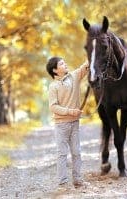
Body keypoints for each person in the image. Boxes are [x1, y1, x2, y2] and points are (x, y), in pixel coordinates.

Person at [46, 56, 89, 188]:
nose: (65, 64)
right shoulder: (53, 86)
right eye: (61, 64)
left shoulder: (74, 76)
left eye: (64, 62)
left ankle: (77, 179)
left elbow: (85, 66)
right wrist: (70, 111)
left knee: (76, 152)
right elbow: (53, 107)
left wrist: (93, 49)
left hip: (75, 123)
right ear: (55, 70)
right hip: (61, 125)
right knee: (62, 153)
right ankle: (63, 182)